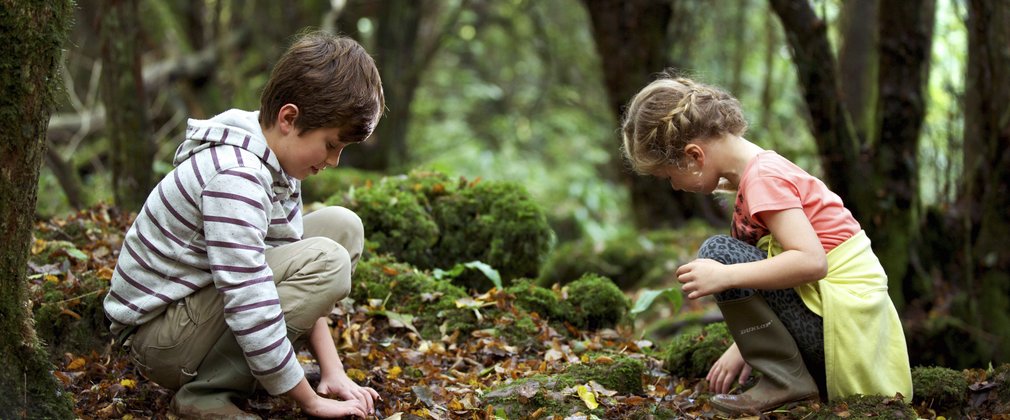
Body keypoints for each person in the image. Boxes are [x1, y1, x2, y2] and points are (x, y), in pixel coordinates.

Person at [103, 31, 384, 419]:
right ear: (289, 118)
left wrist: (332, 370)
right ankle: (205, 393)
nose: (333, 161)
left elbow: (288, 257)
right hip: (160, 340)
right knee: (328, 259)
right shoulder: (236, 176)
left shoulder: (276, 161)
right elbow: (248, 295)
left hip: (198, 310)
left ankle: (240, 372)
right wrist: (309, 401)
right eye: (331, 145)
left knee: (343, 226)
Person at [620, 73, 912, 415]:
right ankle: (784, 375)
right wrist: (743, 345)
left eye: (669, 175)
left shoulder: (764, 179)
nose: (674, 187)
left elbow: (811, 262)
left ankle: (786, 380)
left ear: (694, 156)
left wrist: (726, 277)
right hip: (836, 331)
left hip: (844, 338)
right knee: (726, 257)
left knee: (719, 254)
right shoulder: (756, 175)